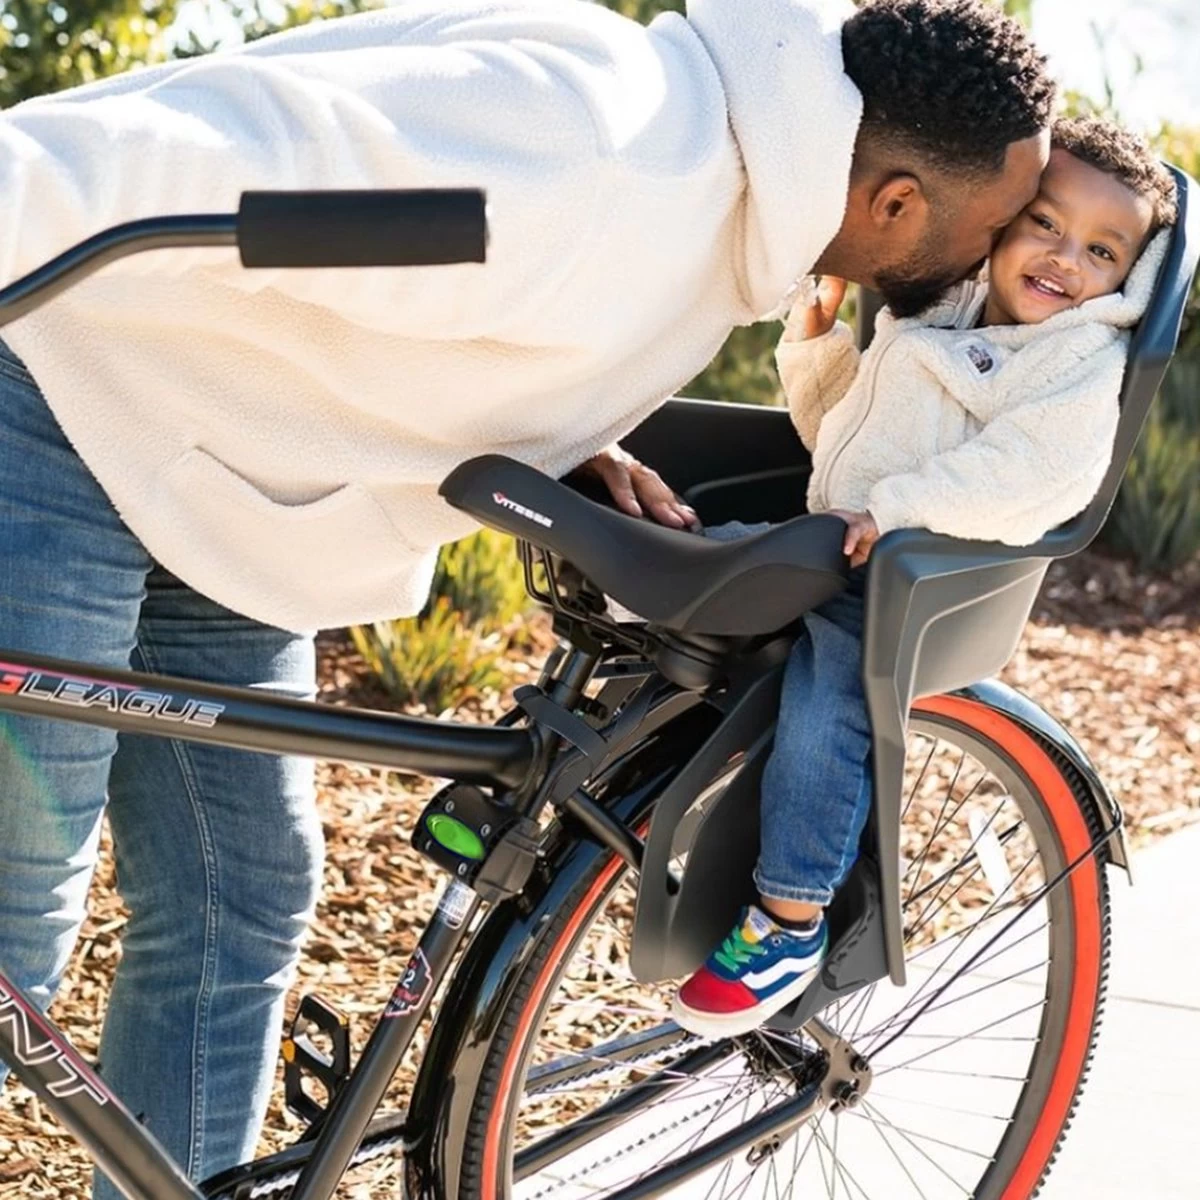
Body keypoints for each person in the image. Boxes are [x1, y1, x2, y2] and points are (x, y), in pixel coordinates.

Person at [0, 0, 1055, 1192]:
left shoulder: (719, 181)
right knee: (13, 901)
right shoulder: (595, 149)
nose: (990, 268)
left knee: (236, 893)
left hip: (223, 477)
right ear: (897, 202)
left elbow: (445, 282)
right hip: (57, 400)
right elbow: (233, 166)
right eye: (986, 234)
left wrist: (561, 430)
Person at [672, 114, 1178, 1037]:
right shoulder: (949, 308)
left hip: (914, 579)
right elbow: (844, 430)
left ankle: (788, 915)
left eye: (1102, 251)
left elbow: (1028, 477)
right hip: (840, 530)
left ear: (1129, 283)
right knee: (690, 554)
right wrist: (816, 339)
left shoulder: (1074, 361)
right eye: (1045, 225)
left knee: (832, 693)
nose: (1065, 259)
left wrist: (895, 511)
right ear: (1002, 220)